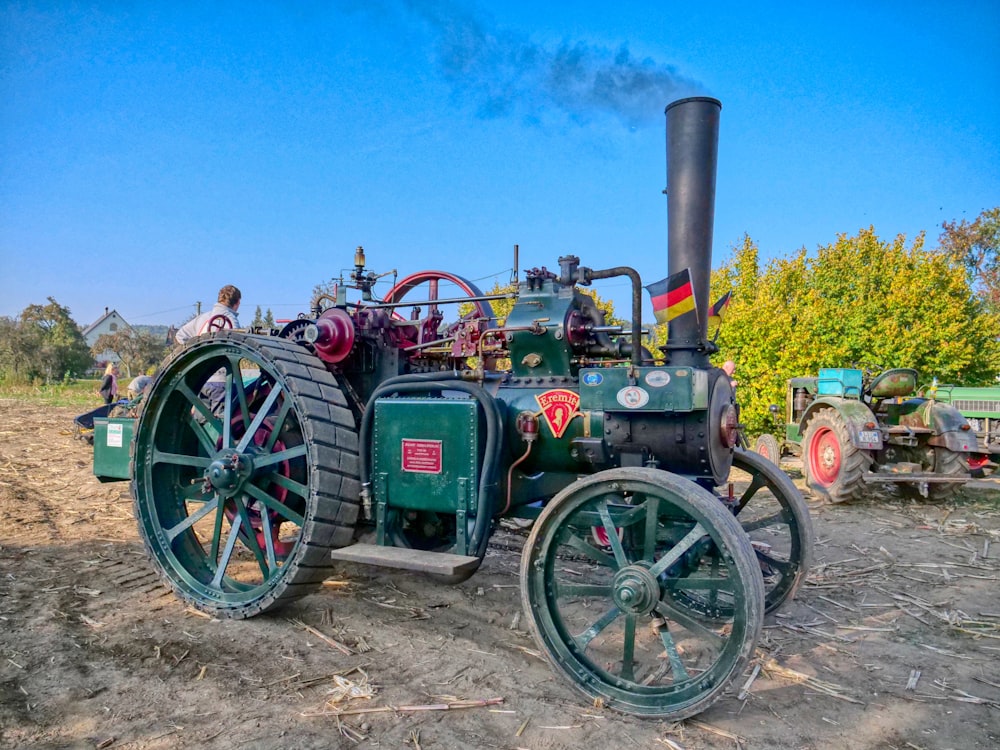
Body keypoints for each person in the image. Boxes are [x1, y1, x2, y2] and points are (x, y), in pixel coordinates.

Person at [175, 285, 243, 415]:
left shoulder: (203, 318)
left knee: (202, 421)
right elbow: (238, 347)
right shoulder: (231, 319)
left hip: (202, 381)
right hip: (223, 381)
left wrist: (196, 355)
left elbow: (180, 335)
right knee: (222, 426)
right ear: (237, 302)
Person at [175, 284, 242, 345]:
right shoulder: (232, 321)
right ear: (238, 302)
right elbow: (238, 344)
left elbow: (180, 335)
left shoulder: (201, 318)